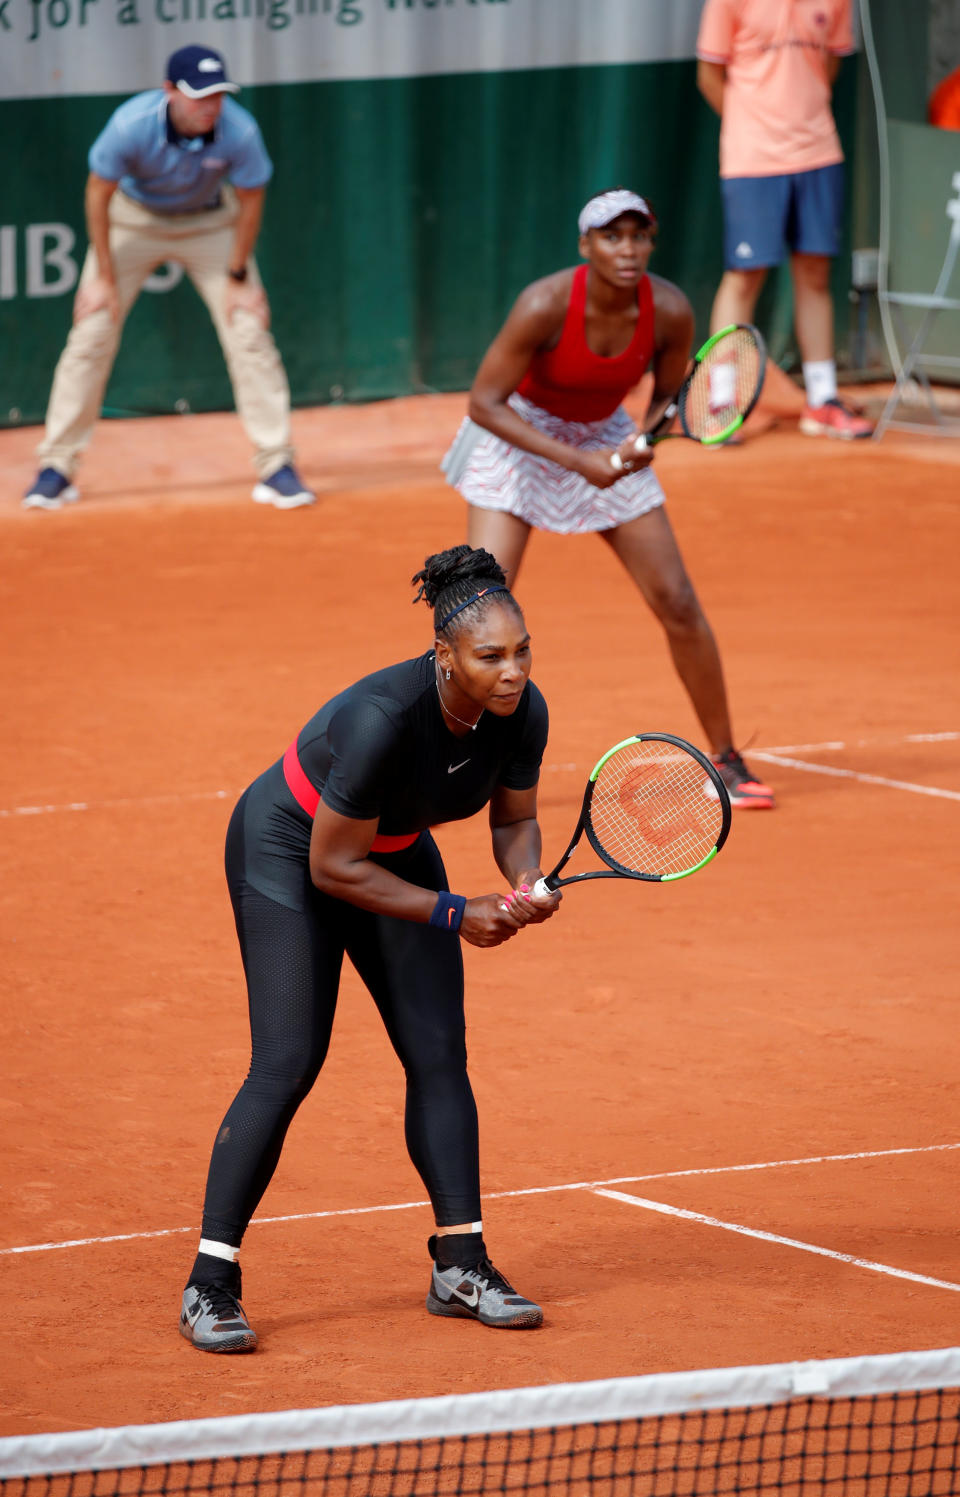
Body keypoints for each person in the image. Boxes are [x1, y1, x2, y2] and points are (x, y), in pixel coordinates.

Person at [180, 545, 561, 1352]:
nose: (512, 671)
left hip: (388, 849)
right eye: (489, 655)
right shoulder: (382, 718)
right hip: (288, 852)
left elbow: (513, 820)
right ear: (444, 656)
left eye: (522, 651)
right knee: (287, 1060)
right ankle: (210, 1283)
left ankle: (461, 1264)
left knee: (438, 1053)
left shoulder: (524, 714)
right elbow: (332, 866)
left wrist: (526, 881)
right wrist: (457, 912)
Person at [442, 187, 775, 810]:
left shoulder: (670, 309)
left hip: (604, 433)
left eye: (639, 236)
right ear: (585, 246)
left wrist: (643, 440)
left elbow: (669, 398)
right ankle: (437, 765)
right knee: (477, 615)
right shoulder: (543, 304)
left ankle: (726, 759)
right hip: (518, 435)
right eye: (611, 236)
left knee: (677, 599)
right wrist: (577, 462)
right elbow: (483, 402)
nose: (628, 249)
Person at [23, 45, 314, 513]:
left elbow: (251, 200)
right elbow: (98, 195)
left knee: (249, 330)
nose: (210, 107)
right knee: (92, 330)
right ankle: (56, 466)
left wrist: (239, 272)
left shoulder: (239, 130)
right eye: (199, 96)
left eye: (217, 96)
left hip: (210, 225)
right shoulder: (130, 125)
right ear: (169, 92)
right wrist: (101, 274)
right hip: (132, 223)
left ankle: (276, 464)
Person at [696, 0, 872, 441]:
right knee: (745, 275)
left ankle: (822, 399)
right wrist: (753, 126)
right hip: (752, 159)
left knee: (815, 273)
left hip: (819, 153)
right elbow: (709, 77)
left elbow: (828, 68)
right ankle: (721, 404)